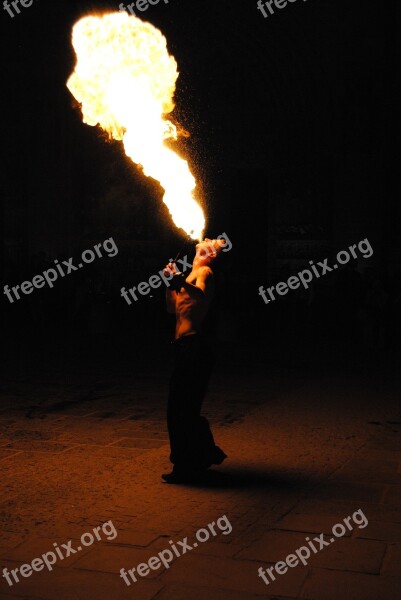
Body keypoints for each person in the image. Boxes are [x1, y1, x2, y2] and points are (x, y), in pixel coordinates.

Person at [162, 237, 228, 483]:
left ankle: (188, 464)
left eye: (211, 241)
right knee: (178, 409)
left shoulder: (206, 272)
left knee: (183, 408)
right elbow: (171, 308)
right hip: (182, 348)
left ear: (211, 253)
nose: (205, 239)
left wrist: (179, 281)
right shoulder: (189, 276)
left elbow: (200, 298)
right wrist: (170, 283)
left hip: (195, 347)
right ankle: (200, 456)